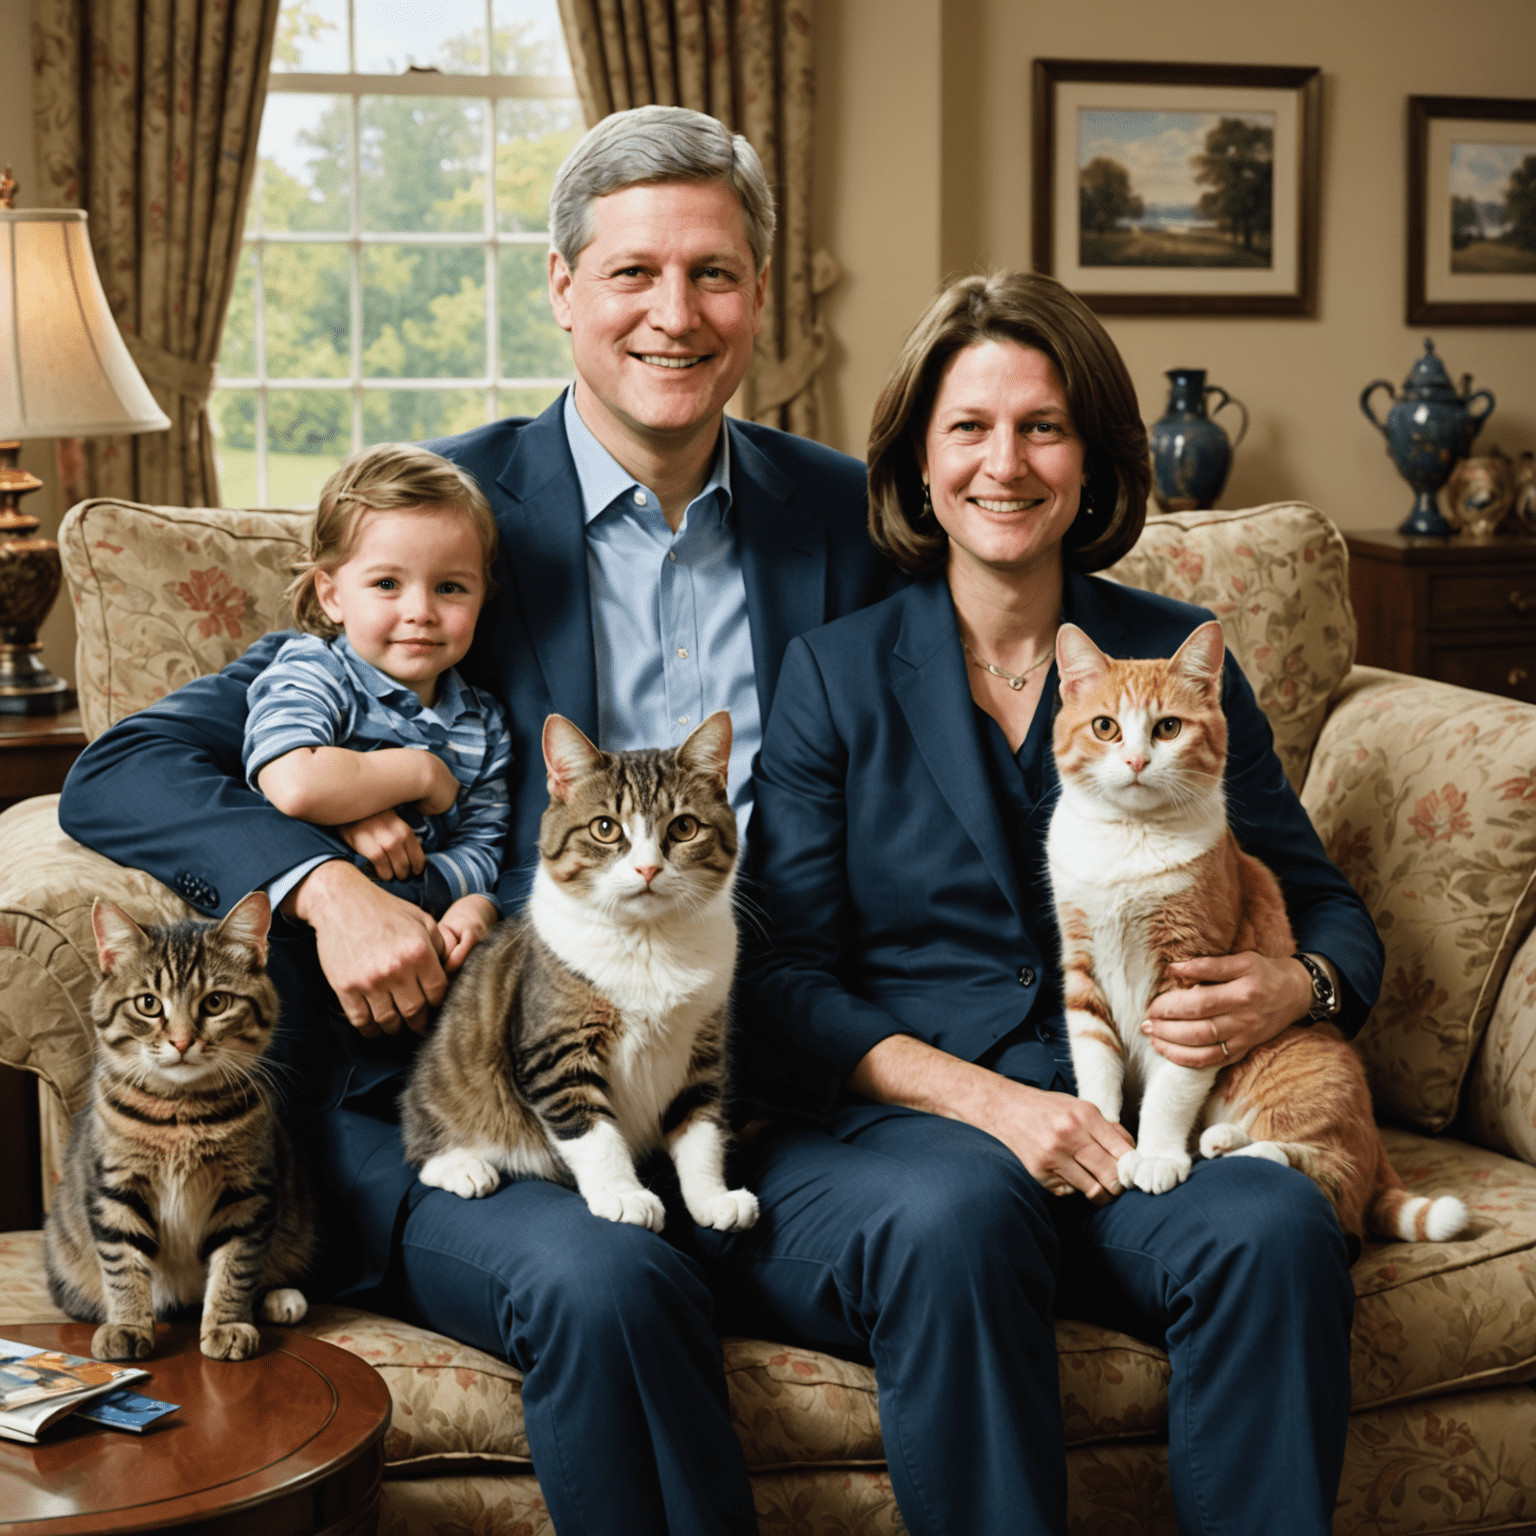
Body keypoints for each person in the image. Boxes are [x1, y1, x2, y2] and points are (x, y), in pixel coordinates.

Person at [59, 105, 899, 1535]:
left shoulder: (854, 517)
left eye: (714, 273)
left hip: (780, 1085)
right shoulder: (441, 529)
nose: (674, 314)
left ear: (761, 295)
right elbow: (129, 766)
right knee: (612, 1283)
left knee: (957, 1237)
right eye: (632, 272)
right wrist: (325, 890)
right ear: (563, 290)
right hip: (482, 1104)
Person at [699, 270, 1385, 1536]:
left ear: (1092, 459)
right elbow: (782, 978)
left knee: (1276, 1231)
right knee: (962, 1217)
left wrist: (1297, 985)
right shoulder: (834, 674)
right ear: (917, 462)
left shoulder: (1175, 654)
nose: (1003, 463)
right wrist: (988, 1102)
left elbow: (1332, 912)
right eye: (968, 428)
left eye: (1043, 426)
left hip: (1147, 1122)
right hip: (911, 1125)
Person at [244, 443, 510, 971]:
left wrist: (472, 904)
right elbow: (295, 781)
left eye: (450, 587)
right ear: (332, 594)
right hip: (301, 937)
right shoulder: (314, 672)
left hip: (427, 939)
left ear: (483, 597)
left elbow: (485, 842)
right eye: (387, 584)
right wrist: (420, 772)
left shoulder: (484, 722)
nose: (420, 612)